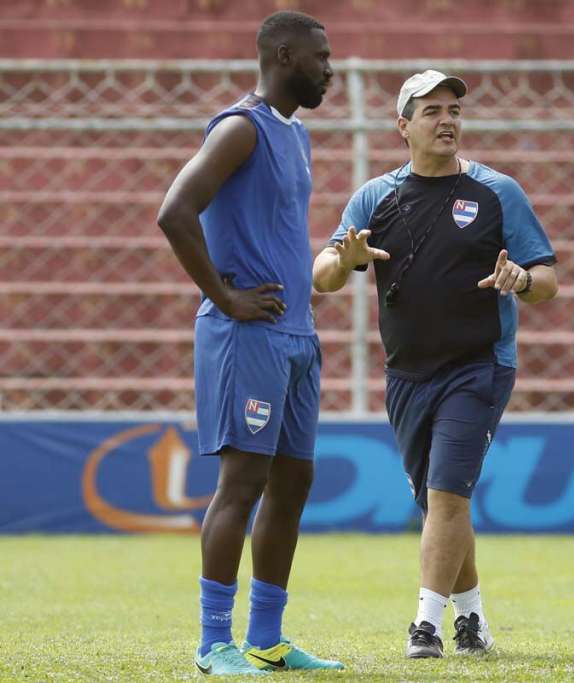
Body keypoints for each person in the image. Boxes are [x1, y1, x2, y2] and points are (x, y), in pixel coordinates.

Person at [312, 69, 559, 658]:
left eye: (454, 110)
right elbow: (322, 278)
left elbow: (547, 280)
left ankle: (425, 625)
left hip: (479, 366)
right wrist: (345, 260)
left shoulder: (498, 192)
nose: (447, 120)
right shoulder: (375, 197)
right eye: (431, 111)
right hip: (407, 374)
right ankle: (472, 618)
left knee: (447, 495)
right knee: (437, 503)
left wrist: (521, 279)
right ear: (403, 126)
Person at [157, 11, 343, 676]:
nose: (330, 68)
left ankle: (266, 636)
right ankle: (214, 642)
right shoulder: (241, 128)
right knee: (241, 484)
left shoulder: (297, 137)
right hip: (247, 334)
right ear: (285, 55)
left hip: (295, 334)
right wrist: (226, 295)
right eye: (321, 57)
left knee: (294, 480)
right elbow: (174, 212)